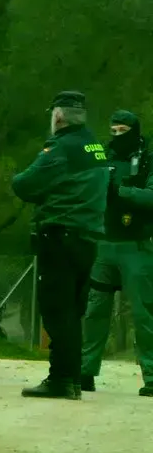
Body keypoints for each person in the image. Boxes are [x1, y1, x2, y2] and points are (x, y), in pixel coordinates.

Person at [10, 89, 110, 399]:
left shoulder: (61, 149)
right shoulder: (94, 146)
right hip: (88, 238)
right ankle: (73, 378)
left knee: (57, 310)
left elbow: (23, 184)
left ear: (57, 116)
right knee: (73, 310)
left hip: (61, 237)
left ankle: (61, 379)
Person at [80, 109, 153, 395]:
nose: (117, 136)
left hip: (137, 247)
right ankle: (86, 371)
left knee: (144, 314)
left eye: (123, 131)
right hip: (103, 245)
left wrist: (121, 193)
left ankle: (151, 375)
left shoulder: (148, 159)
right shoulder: (101, 158)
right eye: (114, 131)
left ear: (134, 131)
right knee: (95, 310)